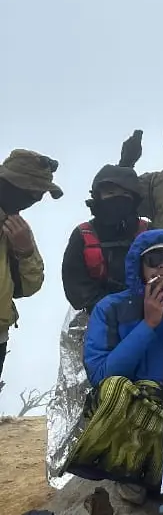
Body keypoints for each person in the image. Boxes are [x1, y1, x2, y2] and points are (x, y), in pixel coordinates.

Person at [70, 230, 163, 487]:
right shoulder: (110, 307)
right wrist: (148, 324)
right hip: (129, 405)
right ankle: (126, 475)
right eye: (154, 258)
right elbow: (101, 376)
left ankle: (160, 481)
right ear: (139, 265)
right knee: (113, 389)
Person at [0, 150, 62, 379]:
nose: (35, 199)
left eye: (40, 194)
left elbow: (29, 287)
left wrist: (24, 250)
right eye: (32, 191)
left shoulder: (17, 226)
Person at [62, 165, 149, 315]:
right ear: (98, 196)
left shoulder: (148, 232)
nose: (118, 199)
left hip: (147, 311)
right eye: (110, 193)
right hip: (96, 314)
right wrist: (111, 308)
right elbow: (75, 286)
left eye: (125, 194)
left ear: (134, 199)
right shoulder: (83, 234)